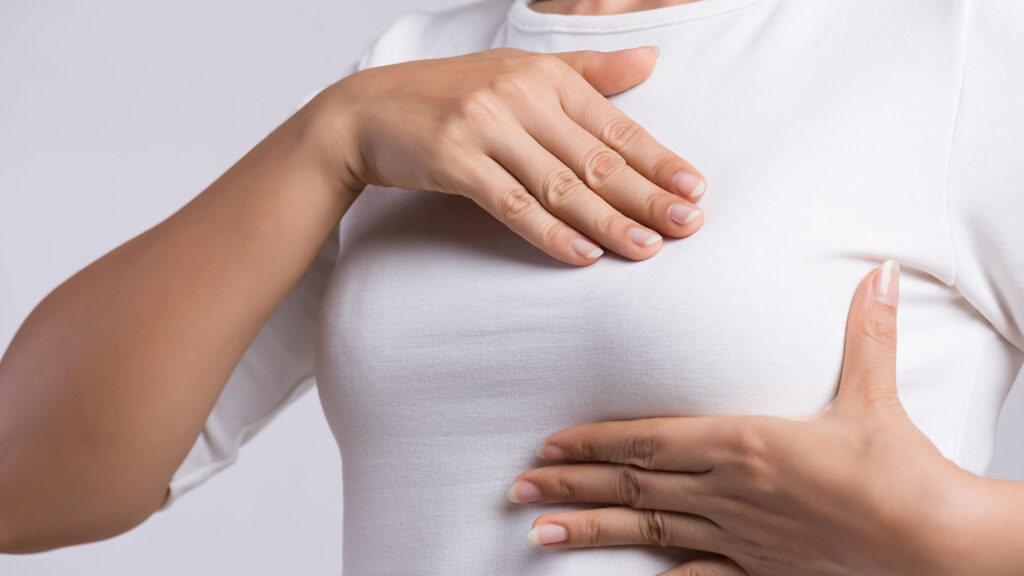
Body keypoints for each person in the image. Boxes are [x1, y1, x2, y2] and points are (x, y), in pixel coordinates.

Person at [1, 0, 1022, 574]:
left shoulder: (955, 49)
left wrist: (954, 540)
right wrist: (325, 139)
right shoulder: (411, 72)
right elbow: (23, 486)